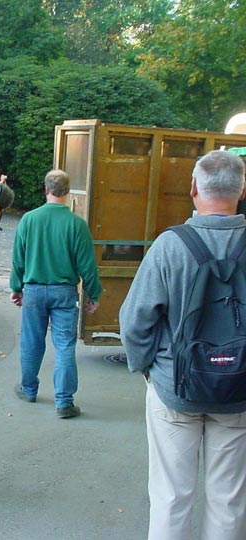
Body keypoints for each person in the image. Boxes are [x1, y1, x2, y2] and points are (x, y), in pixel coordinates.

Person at [119, 150, 246, 540]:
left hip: (175, 387)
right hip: (239, 392)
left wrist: (149, 372)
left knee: (171, 497)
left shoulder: (170, 246)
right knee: (229, 501)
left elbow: (134, 320)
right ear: (242, 191)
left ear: (193, 188)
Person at [10, 169, 101, 419]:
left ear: (46, 189)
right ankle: (64, 402)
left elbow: (18, 258)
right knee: (64, 347)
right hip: (64, 293)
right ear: (67, 192)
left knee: (31, 342)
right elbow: (87, 265)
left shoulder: (28, 220)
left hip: (34, 290)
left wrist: (16, 288)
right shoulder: (76, 224)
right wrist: (93, 293)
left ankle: (28, 389)